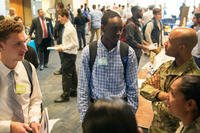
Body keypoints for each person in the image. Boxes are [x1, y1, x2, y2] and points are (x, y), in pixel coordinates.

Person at [78, 10, 138, 121]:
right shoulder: (89, 51)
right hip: (96, 111)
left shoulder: (127, 52)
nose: (119, 33)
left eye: (121, 29)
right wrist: (84, 119)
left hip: (121, 111)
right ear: (103, 28)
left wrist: (130, 116)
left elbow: (132, 87)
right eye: (115, 29)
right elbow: (83, 88)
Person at [140, 27, 200, 132]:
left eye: (170, 41)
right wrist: (163, 95)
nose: (165, 44)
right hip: (154, 128)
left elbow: (174, 114)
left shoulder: (194, 78)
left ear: (182, 48)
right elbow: (144, 88)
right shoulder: (166, 66)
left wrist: (154, 94)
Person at [0, 19, 42, 133]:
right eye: (18, 44)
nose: (25, 48)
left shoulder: (28, 68)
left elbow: (36, 99)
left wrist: (34, 119)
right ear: (1, 46)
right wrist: (8, 127)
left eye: (25, 41)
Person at [54, 9, 78, 103]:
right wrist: (61, 46)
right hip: (70, 54)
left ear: (65, 17)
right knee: (72, 73)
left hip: (69, 55)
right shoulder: (66, 26)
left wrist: (63, 48)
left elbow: (75, 44)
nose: (58, 19)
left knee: (66, 75)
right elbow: (68, 42)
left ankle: (65, 95)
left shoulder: (69, 28)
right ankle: (73, 91)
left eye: (59, 17)